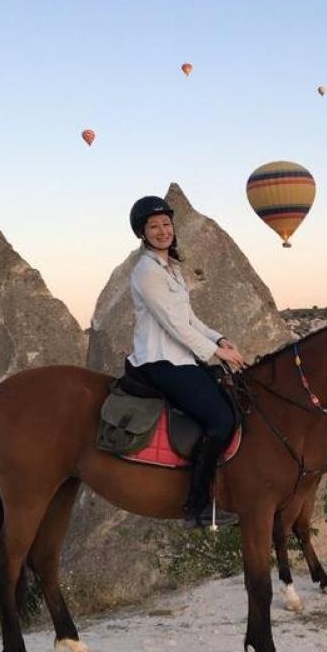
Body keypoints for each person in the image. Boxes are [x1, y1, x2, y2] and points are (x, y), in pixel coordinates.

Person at [125, 196, 246, 528]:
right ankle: (197, 506)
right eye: (154, 226)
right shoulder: (146, 272)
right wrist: (215, 353)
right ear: (143, 233)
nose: (163, 231)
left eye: (166, 224)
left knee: (233, 401)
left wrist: (219, 338)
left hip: (183, 358)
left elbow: (189, 318)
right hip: (160, 361)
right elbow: (172, 325)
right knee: (220, 419)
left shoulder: (172, 269)